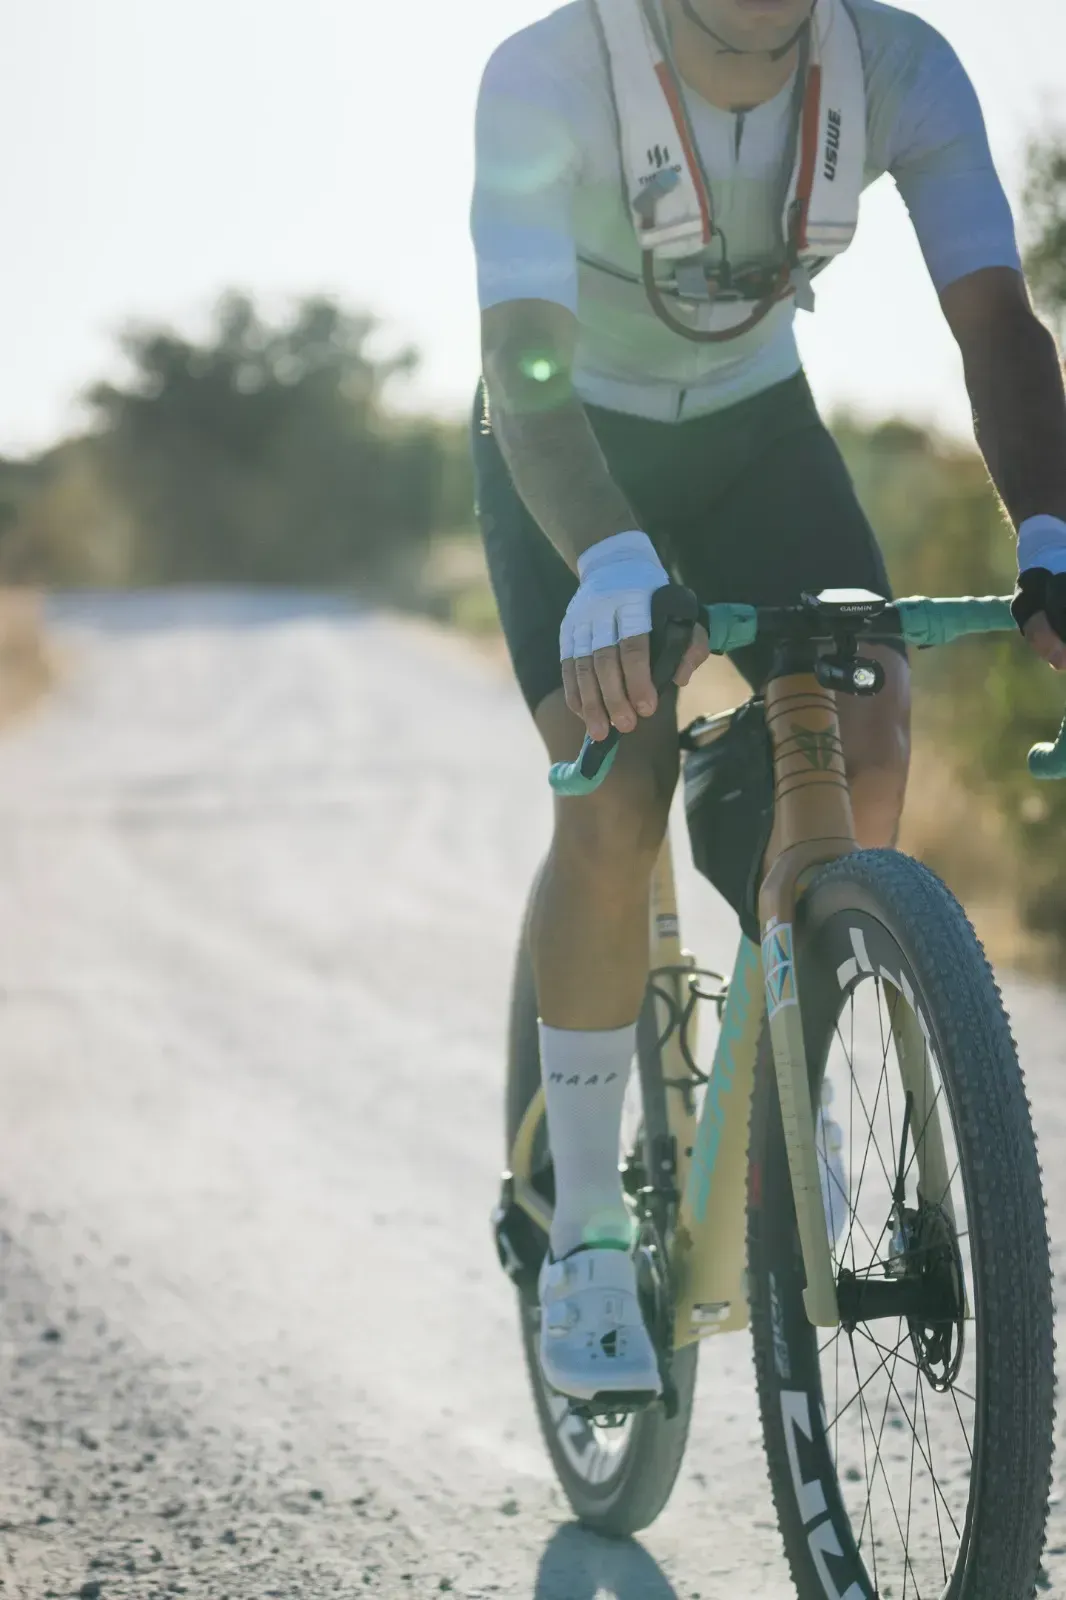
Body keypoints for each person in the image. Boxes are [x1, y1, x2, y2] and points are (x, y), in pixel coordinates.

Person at [470, 0, 1066, 1405]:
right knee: (614, 783)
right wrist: (611, 560)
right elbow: (525, 360)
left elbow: (991, 319)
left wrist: (1047, 537)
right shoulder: (547, 71)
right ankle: (591, 1237)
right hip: (563, 442)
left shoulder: (900, 68)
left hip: (753, 429)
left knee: (865, 721)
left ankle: (791, 1031)